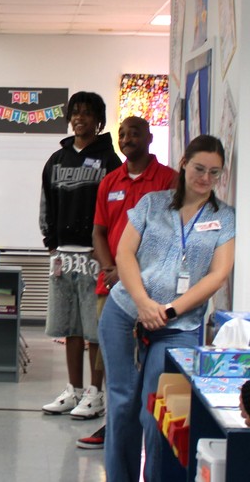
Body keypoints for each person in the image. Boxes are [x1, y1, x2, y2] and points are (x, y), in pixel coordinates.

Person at [99, 135, 234, 482]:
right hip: (126, 314)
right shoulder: (151, 203)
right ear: (184, 164)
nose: (205, 178)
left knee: (158, 410)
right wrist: (144, 303)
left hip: (179, 326)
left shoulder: (226, 218)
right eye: (199, 168)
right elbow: (124, 254)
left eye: (214, 172)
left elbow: (218, 275)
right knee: (122, 404)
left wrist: (168, 311)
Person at [77, 116, 176, 449]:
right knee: (112, 362)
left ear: (149, 138)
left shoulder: (169, 181)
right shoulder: (110, 181)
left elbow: (173, 236)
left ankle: (153, 433)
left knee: (153, 363)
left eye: (135, 133)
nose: (127, 138)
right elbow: (98, 233)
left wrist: (131, 269)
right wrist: (111, 266)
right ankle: (113, 427)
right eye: (122, 133)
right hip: (112, 288)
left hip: (155, 290)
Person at [38, 91, 122, 418]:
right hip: (63, 254)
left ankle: (95, 393)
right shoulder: (57, 160)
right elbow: (46, 201)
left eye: (86, 114)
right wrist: (51, 242)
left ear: (98, 120)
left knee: (94, 328)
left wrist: (109, 256)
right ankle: (73, 390)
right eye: (75, 113)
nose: (79, 119)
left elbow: (116, 210)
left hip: (95, 256)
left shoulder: (109, 161)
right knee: (69, 327)